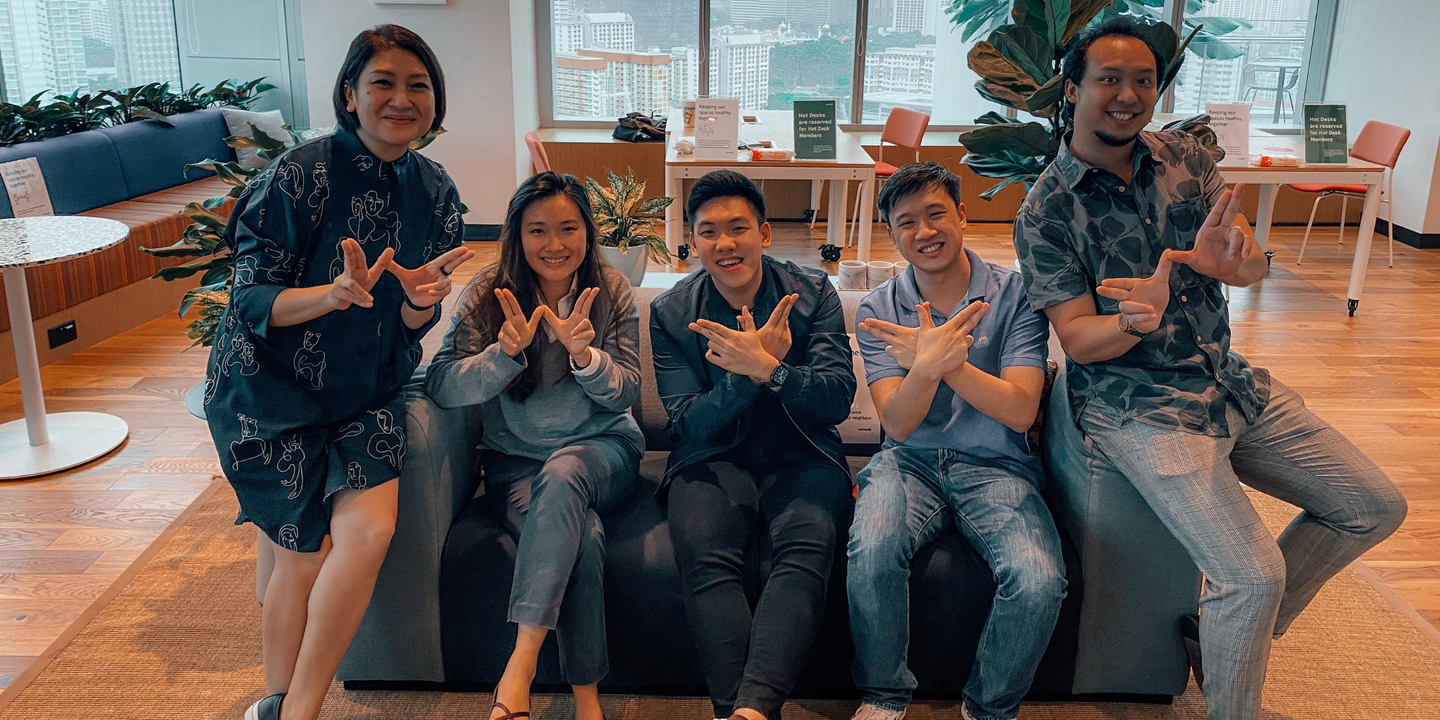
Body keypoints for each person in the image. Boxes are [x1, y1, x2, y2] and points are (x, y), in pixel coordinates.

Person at [1012, 16, 1407, 720]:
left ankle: (1216, 635)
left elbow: (1247, 265)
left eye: (1144, 80)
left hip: (1228, 380)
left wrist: (1241, 266)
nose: (1128, 95)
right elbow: (1076, 340)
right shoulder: (1047, 209)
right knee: (1250, 577)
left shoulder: (1186, 158)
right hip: (1136, 402)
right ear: (1072, 90)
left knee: (1372, 507)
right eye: (1109, 79)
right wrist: (1131, 321)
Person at [204, 24, 475, 720]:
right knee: (302, 552)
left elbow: (411, 324)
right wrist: (331, 296)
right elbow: (251, 300)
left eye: (418, 86)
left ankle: (287, 709)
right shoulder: (297, 175)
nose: (402, 99)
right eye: (383, 82)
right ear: (350, 93)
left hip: (364, 390)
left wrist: (420, 303)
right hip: (269, 391)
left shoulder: (436, 191)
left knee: (370, 533)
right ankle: (288, 707)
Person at [847, 162, 1063, 720]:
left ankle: (989, 707)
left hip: (998, 464)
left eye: (936, 214)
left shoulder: (1015, 295)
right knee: (871, 552)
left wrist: (943, 362)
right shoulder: (878, 308)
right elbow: (897, 424)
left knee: (1038, 581)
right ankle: (883, 694)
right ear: (892, 234)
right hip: (908, 461)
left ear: (962, 215)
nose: (924, 232)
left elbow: (1019, 409)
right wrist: (924, 368)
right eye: (906, 222)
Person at [426, 171, 643, 720]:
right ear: (516, 235)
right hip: (517, 466)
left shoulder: (610, 289)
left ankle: (518, 670)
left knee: (566, 470)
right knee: (583, 539)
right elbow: (443, 385)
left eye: (568, 228)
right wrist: (503, 356)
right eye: (538, 230)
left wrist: (584, 358)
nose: (554, 244)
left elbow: (627, 392)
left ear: (587, 232)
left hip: (603, 452)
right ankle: (587, 700)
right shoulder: (490, 293)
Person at [650, 170, 855, 720]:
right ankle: (745, 712)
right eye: (709, 232)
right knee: (703, 553)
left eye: (738, 228)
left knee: (807, 545)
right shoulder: (672, 311)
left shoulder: (813, 293)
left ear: (764, 234)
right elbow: (688, 422)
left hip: (803, 449)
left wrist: (773, 371)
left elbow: (836, 399)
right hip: (712, 454)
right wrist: (746, 376)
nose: (725, 243)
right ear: (693, 243)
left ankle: (748, 712)